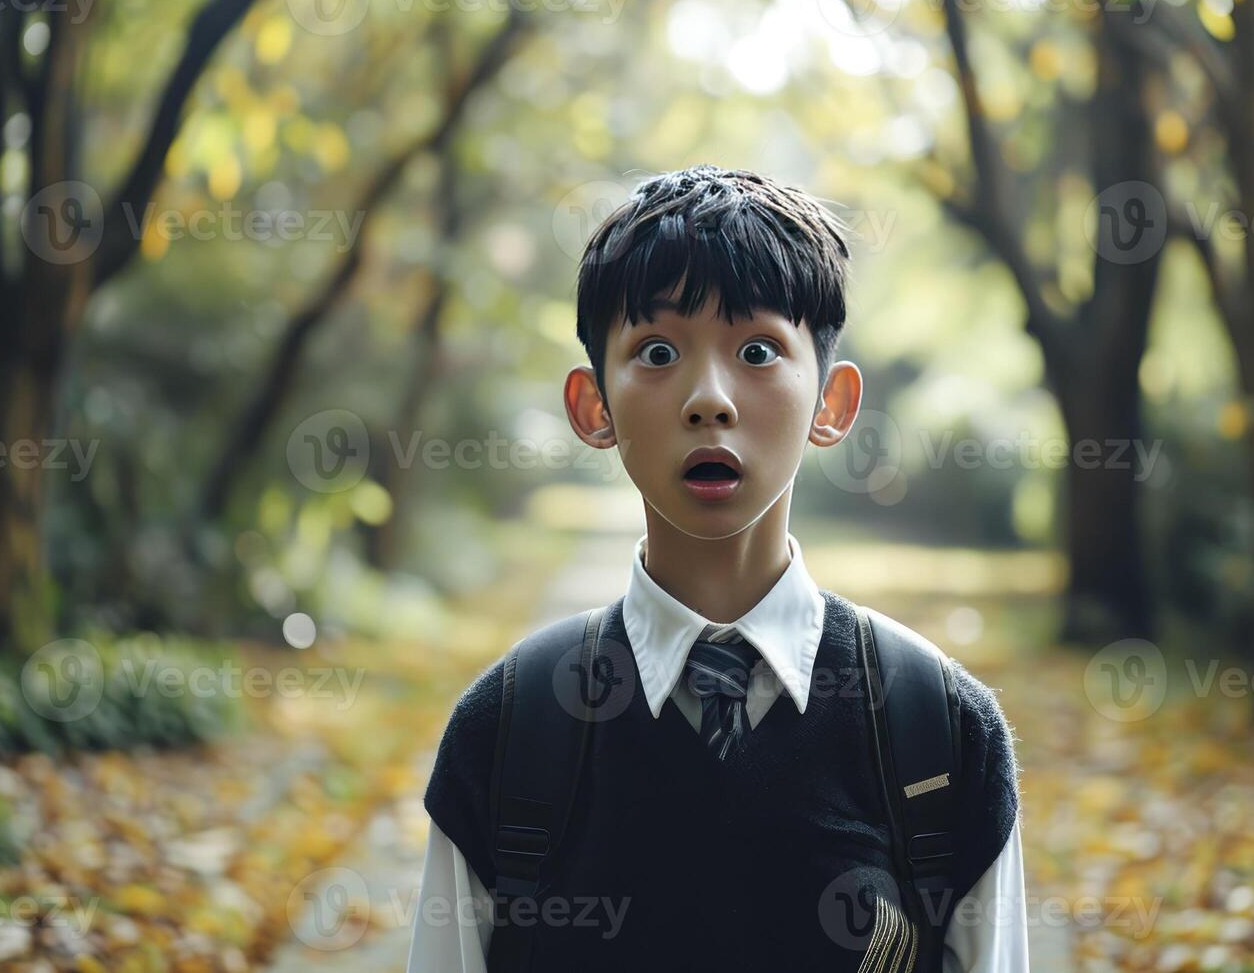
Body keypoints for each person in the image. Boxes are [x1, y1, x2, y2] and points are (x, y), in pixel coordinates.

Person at [406, 164, 1027, 972]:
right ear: (593, 407)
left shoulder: (936, 732)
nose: (710, 398)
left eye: (759, 350)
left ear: (832, 404)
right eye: (657, 351)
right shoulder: (512, 731)